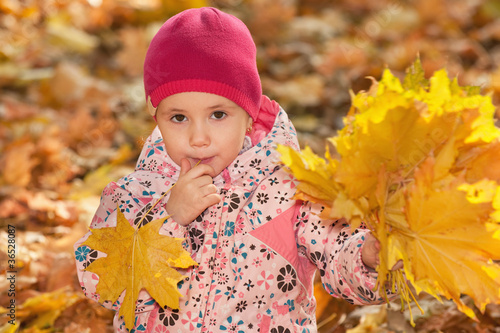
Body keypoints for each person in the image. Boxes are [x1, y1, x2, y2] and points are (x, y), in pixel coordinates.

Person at [74, 7, 395, 332]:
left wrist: (368, 256)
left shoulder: (290, 191)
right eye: (179, 118)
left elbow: (335, 250)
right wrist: (168, 219)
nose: (198, 138)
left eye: (218, 115)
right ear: (155, 119)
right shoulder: (138, 193)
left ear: (249, 116)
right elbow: (98, 279)